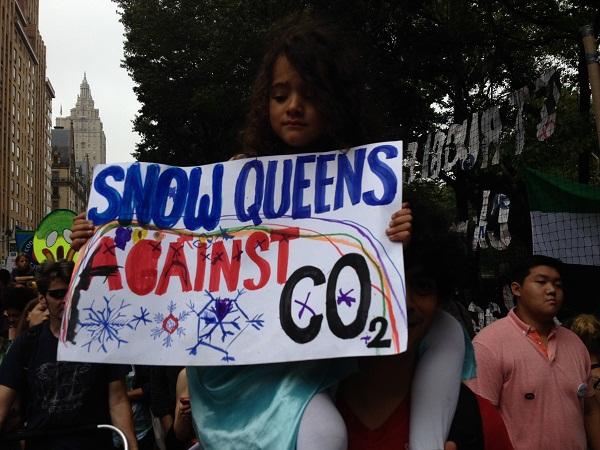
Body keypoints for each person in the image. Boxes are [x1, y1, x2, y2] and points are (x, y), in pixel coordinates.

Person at [70, 13, 466, 450]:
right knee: (326, 434)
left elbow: (379, 271)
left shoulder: (365, 186)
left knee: (446, 331)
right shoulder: (237, 178)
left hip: (304, 359)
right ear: (266, 102)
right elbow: (163, 241)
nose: (292, 106)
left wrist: (394, 234)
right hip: (235, 366)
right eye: (280, 95)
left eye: (309, 95)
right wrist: (102, 240)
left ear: (336, 102)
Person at [336, 203, 513, 449]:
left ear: (440, 300)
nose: (403, 303)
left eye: (422, 286)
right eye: (385, 280)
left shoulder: (478, 422)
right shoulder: (284, 416)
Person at [0, 260, 139, 450]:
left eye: (71, 291)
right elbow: (3, 401)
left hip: (93, 442)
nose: (64, 299)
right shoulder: (27, 344)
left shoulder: (100, 340)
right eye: (56, 294)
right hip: (42, 442)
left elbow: (117, 400)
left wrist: (131, 445)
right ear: (42, 298)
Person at [466, 255, 600, 450]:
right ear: (516, 289)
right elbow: (478, 420)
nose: (552, 290)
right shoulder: (488, 345)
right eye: (541, 282)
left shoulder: (576, 345)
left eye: (558, 284)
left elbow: (591, 411)